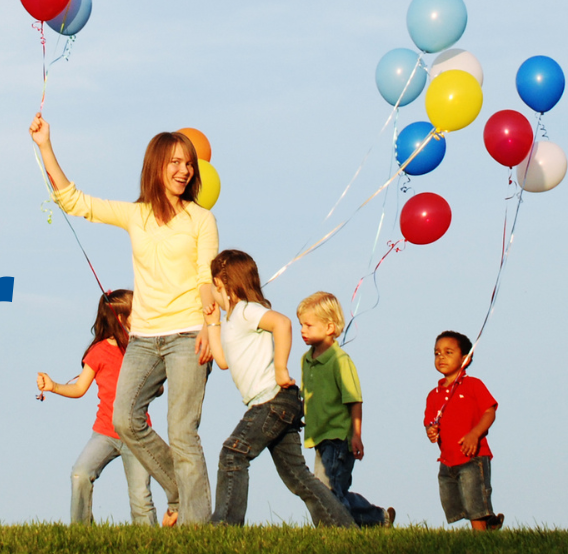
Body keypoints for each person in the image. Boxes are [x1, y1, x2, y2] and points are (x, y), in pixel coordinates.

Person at [29, 114, 220, 524]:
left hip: (188, 334)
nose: (184, 170)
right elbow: (76, 202)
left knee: (183, 433)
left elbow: (207, 280)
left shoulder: (201, 220)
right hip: (146, 338)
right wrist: (46, 145)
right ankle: (180, 491)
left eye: (189, 163)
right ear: (156, 166)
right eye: (175, 162)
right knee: (124, 419)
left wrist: (210, 325)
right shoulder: (138, 215)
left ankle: (198, 527)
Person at [199, 250, 353, 527]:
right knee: (298, 477)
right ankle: (343, 527)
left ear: (223, 285)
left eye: (214, 287)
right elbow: (222, 361)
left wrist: (281, 367)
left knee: (233, 453)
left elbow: (282, 323)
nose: (212, 293)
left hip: (272, 401)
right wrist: (212, 322)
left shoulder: (247, 310)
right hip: (275, 404)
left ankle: (224, 526)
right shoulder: (233, 320)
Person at [36, 289, 175, 526]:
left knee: (141, 499)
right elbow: (80, 389)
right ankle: (81, 535)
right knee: (80, 475)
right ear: (120, 318)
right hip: (104, 433)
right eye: (136, 312)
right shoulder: (98, 351)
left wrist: (153, 386)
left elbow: (157, 388)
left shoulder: (140, 349)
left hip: (136, 433)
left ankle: (150, 543)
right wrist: (53, 386)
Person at [297, 292, 394, 527]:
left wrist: (357, 435)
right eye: (301, 324)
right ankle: (377, 518)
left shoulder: (340, 361)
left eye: (309, 325)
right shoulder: (306, 360)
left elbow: (354, 400)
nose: (303, 330)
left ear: (330, 327)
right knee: (330, 490)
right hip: (318, 437)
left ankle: (338, 532)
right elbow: (307, 396)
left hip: (339, 437)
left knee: (326, 489)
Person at [424, 331, 503, 531]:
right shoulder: (433, 395)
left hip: (472, 457)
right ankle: (490, 523)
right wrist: (430, 430)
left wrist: (475, 434)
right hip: (448, 459)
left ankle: (481, 539)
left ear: (465, 359)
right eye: (437, 353)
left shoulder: (472, 385)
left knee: (474, 503)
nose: (441, 357)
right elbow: (429, 422)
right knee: (455, 503)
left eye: (448, 352)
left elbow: (489, 411)